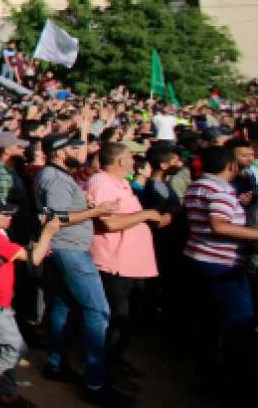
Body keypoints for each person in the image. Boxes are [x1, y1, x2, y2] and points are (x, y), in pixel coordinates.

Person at [33, 134, 128, 406]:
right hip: (70, 252)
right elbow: (57, 218)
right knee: (98, 311)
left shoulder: (56, 174)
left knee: (63, 306)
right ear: (61, 152)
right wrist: (97, 211)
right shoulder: (55, 178)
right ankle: (95, 384)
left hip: (65, 250)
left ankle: (56, 365)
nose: (83, 152)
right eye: (76, 147)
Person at [0, 195, 64, 408]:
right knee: (16, 349)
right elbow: (33, 259)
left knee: (11, 346)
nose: (10, 217)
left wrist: (35, 247)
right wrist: (48, 233)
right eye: (4, 214)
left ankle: (9, 393)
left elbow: (14, 257)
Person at [86, 142, 167, 386]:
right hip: (115, 264)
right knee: (115, 320)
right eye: (131, 157)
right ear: (120, 161)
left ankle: (115, 360)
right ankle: (105, 371)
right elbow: (109, 223)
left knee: (128, 318)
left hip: (132, 263)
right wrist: (146, 214)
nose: (135, 162)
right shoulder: (101, 184)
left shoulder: (119, 183)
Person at [182, 143, 258, 401]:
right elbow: (219, 225)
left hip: (198, 257)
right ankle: (238, 386)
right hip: (220, 263)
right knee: (239, 324)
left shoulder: (198, 185)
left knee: (209, 323)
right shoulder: (220, 188)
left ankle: (209, 380)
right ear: (231, 166)